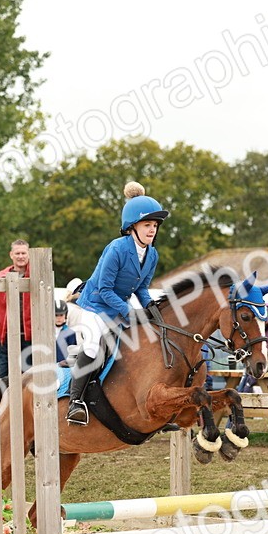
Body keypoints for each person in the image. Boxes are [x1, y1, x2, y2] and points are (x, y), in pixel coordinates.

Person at [68, 181, 167, 425]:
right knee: (92, 346)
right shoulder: (117, 248)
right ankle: (74, 402)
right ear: (132, 227)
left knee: (137, 345)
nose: (152, 230)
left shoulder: (152, 254)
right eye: (147, 225)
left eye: (154, 225)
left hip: (118, 307)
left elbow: (141, 288)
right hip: (94, 305)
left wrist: (151, 308)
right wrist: (129, 311)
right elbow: (104, 289)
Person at [0, 239, 33, 381]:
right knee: (2, 376)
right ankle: (1, 403)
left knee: (28, 377)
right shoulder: (0, 278)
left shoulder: (36, 275)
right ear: (11, 255)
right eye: (17, 253)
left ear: (28, 254)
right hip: (6, 335)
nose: (21, 256)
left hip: (30, 336)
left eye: (23, 253)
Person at [54, 301, 78, 368]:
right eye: (56, 315)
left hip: (63, 367)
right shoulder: (47, 332)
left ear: (65, 315)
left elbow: (72, 352)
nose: (58, 318)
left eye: (61, 315)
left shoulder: (70, 333)